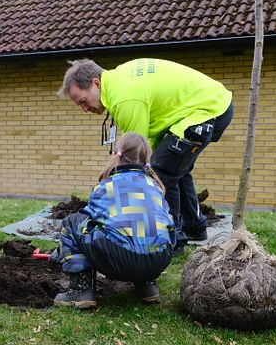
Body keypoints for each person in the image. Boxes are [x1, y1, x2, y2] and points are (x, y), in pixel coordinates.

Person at [58, 58, 234, 245]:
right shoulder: (119, 82)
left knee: (162, 173)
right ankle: (194, 228)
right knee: (175, 168)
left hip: (208, 110)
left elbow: (135, 156)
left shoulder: (125, 97)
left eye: (83, 101)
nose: (84, 109)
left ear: (96, 83)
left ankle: (172, 240)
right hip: (211, 106)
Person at [52, 132, 177, 309]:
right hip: (158, 259)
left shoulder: (106, 185)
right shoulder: (155, 186)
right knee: (146, 230)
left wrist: (63, 251)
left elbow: (90, 219)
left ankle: (81, 289)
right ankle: (147, 286)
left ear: (117, 155)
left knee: (73, 222)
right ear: (146, 158)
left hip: (118, 258)